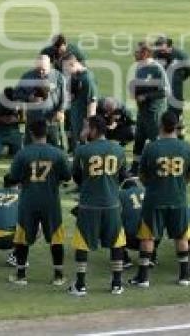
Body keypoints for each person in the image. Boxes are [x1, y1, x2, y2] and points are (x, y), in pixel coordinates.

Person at [130, 111, 190, 288]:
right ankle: (184, 276)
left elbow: (142, 175)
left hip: (154, 198)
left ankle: (143, 278)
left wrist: (154, 185)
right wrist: (179, 184)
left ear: (160, 125)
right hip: (178, 198)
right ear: (176, 126)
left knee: (148, 237)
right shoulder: (186, 147)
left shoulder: (151, 147)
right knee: (181, 236)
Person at [68, 115, 128, 296]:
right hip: (112, 203)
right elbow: (123, 175)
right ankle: (117, 284)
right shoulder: (118, 149)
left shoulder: (83, 151)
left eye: (87, 127)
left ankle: (80, 285)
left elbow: (77, 177)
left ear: (93, 130)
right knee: (116, 242)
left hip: (89, 205)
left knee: (82, 243)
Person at [6, 119, 71, 286]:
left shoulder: (23, 153)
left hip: (28, 200)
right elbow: (67, 176)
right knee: (56, 238)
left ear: (30, 133)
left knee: (22, 237)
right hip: (51, 201)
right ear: (47, 133)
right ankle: (58, 276)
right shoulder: (58, 153)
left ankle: (21, 276)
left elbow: (13, 177)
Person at [130, 42, 169, 171]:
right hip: (142, 112)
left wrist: (146, 97)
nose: (134, 53)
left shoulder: (157, 68)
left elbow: (165, 91)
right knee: (139, 140)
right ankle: (135, 168)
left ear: (145, 53)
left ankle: (160, 168)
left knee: (156, 141)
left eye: (137, 51)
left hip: (154, 112)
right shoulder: (139, 68)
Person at [16, 55, 66, 148]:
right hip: (33, 118)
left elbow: (64, 96)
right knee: (30, 146)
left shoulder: (58, 76)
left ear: (49, 66)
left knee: (54, 145)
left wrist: (61, 110)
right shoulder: (27, 77)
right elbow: (17, 94)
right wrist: (29, 98)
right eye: (38, 69)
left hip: (51, 118)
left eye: (44, 69)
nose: (41, 72)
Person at [153, 36, 190, 139]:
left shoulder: (180, 55)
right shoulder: (156, 55)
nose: (160, 50)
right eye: (158, 47)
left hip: (176, 91)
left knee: (177, 115)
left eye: (162, 47)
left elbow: (189, 71)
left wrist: (178, 80)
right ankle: (163, 137)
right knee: (162, 114)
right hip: (160, 90)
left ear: (169, 46)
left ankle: (180, 138)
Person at [63, 54, 98, 154]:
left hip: (83, 122)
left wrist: (88, 126)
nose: (66, 72)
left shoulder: (87, 79)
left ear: (73, 64)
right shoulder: (77, 77)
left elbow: (92, 103)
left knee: (85, 151)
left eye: (66, 68)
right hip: (77, 119)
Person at [118, 177, 151, 269]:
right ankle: (151, 256)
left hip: (130, 239)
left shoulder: (120, 194)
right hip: (151, 239)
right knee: (153, 223)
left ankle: (124, 258)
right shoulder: (146, 191)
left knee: (113, 224)